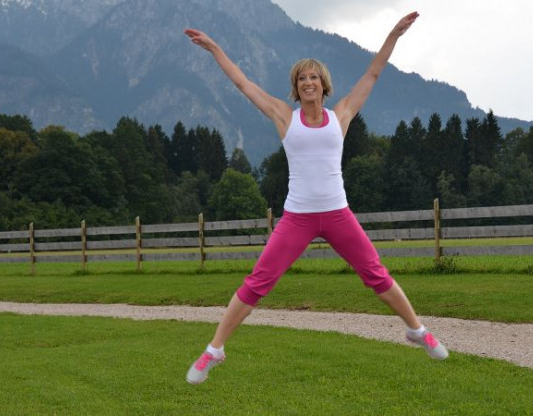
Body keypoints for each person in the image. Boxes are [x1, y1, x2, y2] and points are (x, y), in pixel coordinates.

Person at [183, 11, 448, 385]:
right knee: (258, 282)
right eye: (301, 78)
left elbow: (372, 74)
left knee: (376, 274)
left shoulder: (341, 115)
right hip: (298, 217)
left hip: (338, 214)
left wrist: (393, 35)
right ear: (296, 88)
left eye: (313, 77)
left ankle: (416, 330)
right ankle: (214, 350)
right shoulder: (283, 116)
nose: (308, 82)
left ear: (324, 85)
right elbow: (242, 83)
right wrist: (214, 49)